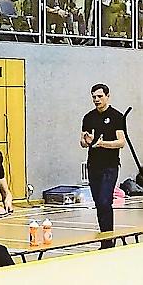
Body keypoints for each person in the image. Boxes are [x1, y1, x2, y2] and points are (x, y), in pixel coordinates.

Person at [80, 83, 125, 249]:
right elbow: (83, 142)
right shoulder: (88, 117)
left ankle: (108, 240)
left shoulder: (116, 116)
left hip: (110, 166)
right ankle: (105, 238)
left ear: (107, 96)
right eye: (94, 97)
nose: (96, 99)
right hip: (93, 166)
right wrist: (86, 141)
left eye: (99, 96)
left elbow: (121, 142)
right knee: (99, 202)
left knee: (106, 201)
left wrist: (102, 144)